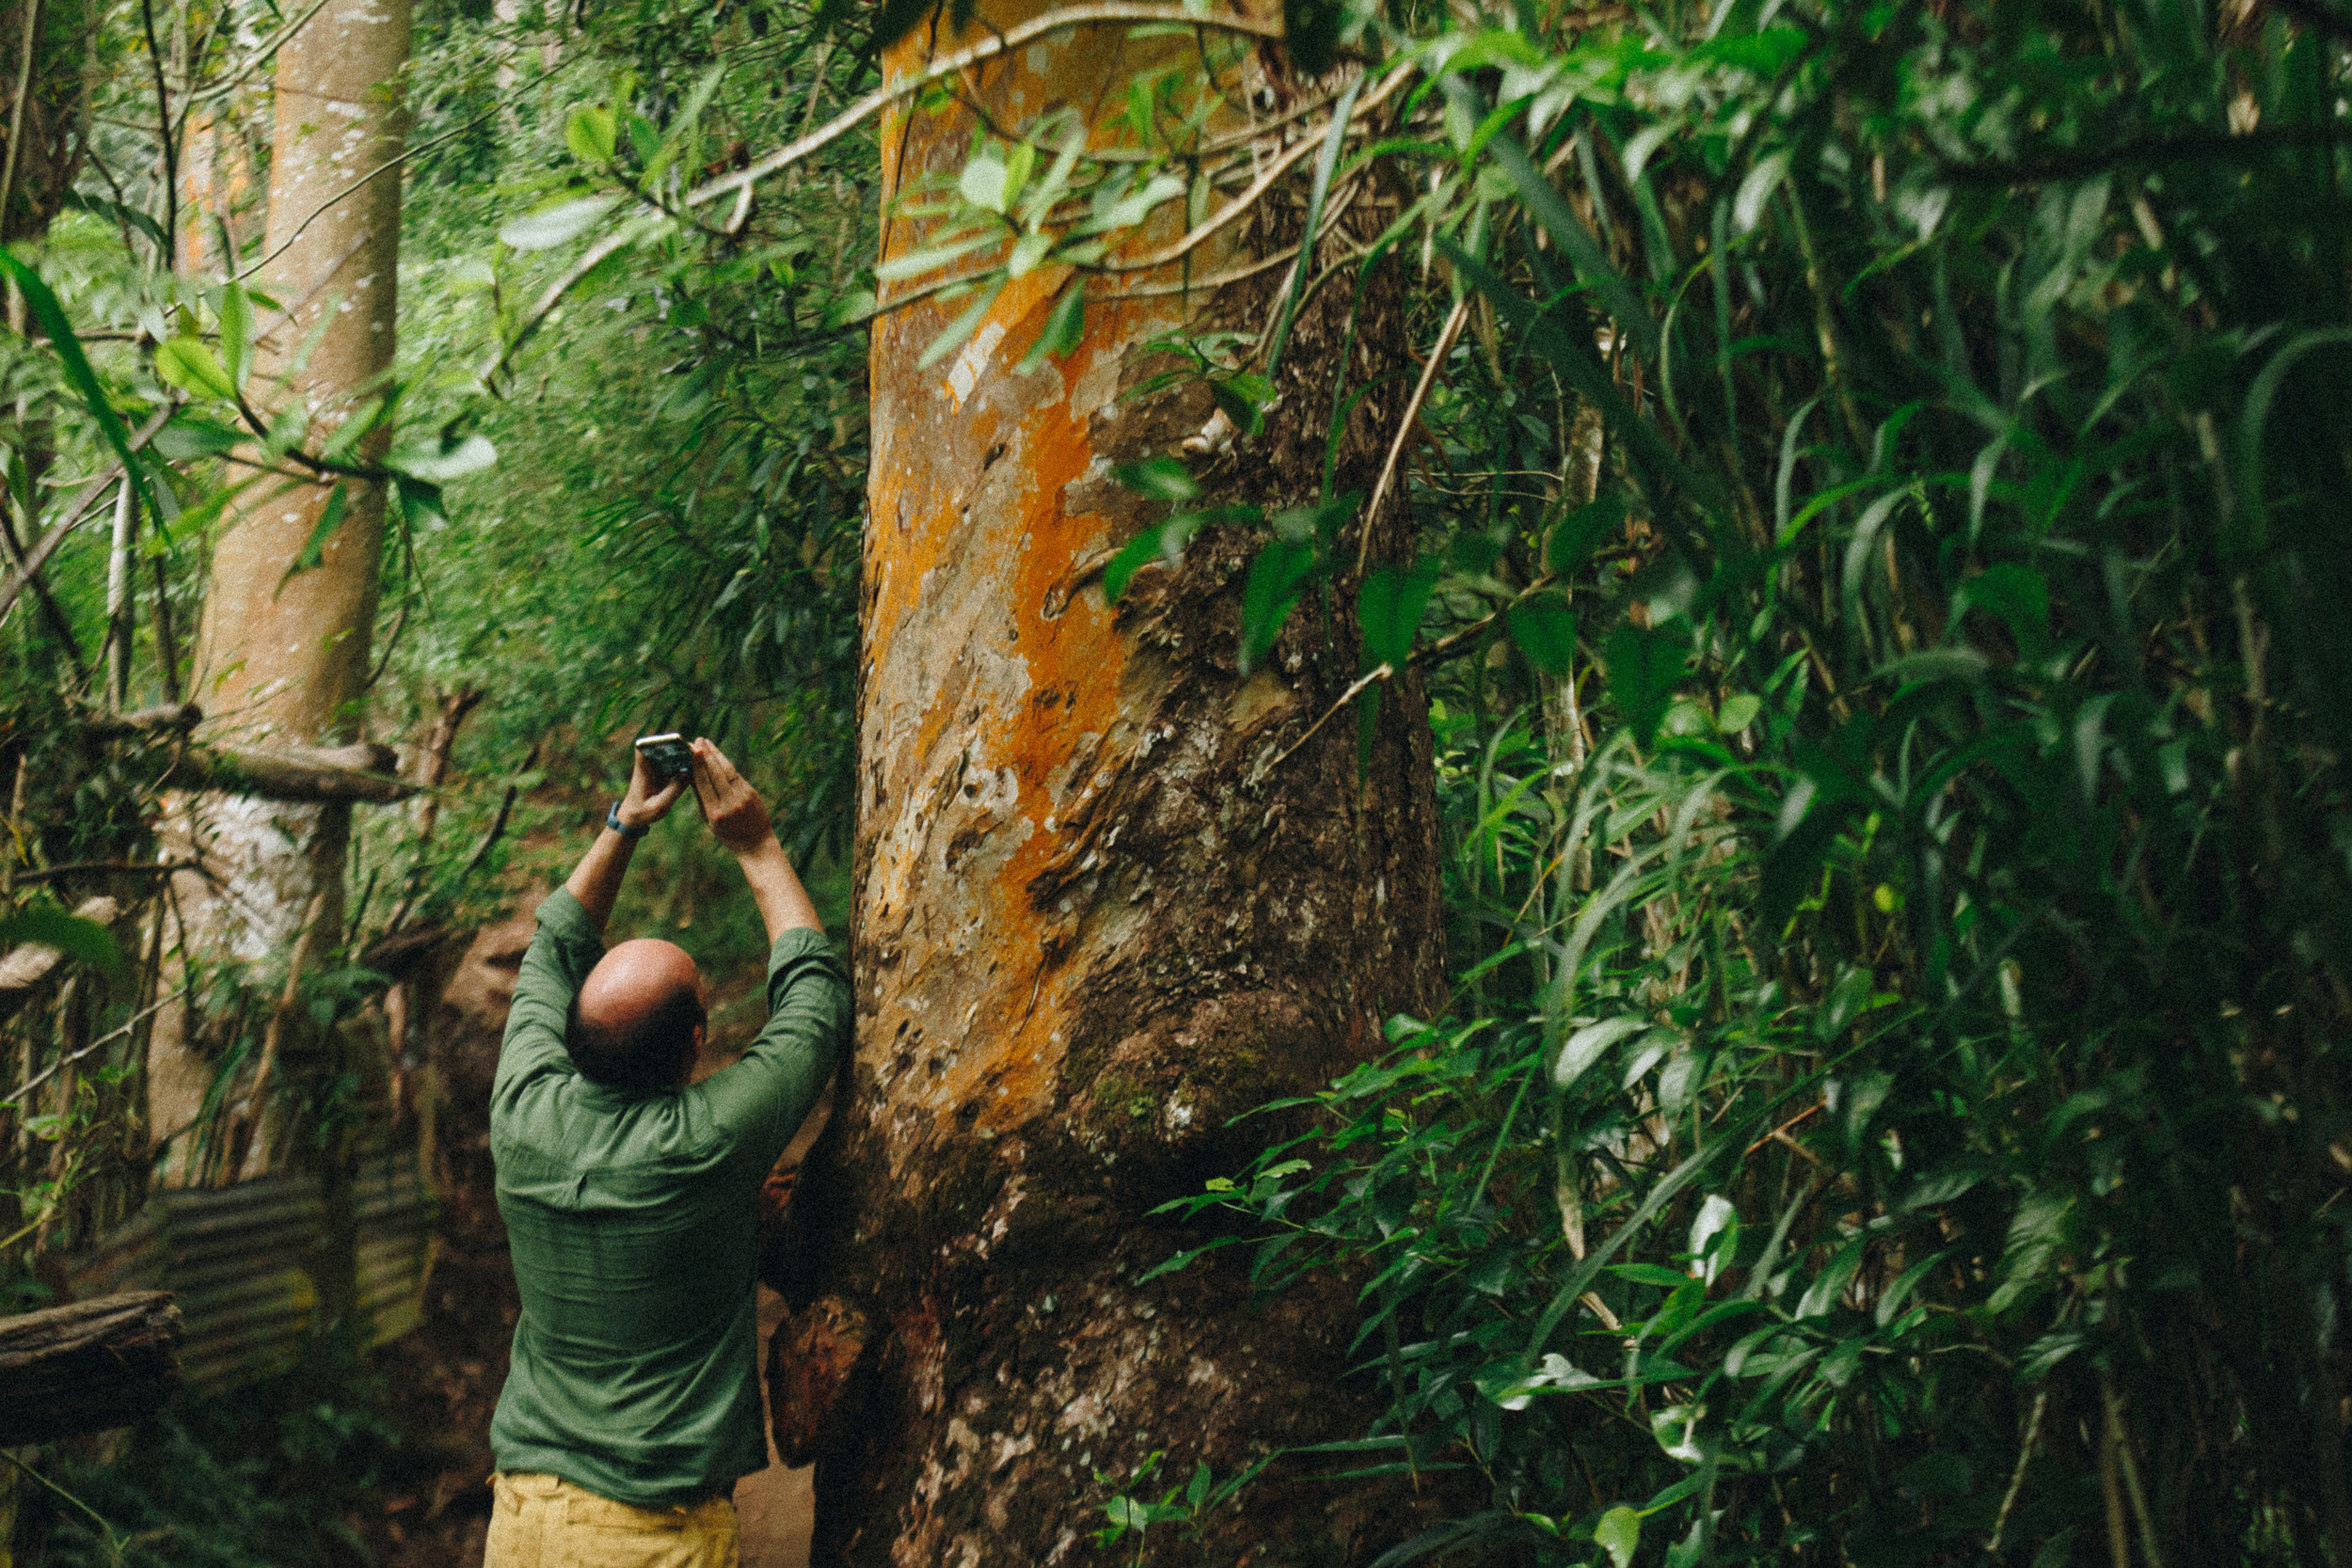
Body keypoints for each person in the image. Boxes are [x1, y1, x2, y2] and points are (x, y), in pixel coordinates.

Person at [482, 737, 848, 1568]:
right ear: (694, 1041)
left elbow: (553, 944)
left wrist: (626, 822)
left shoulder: (521, 1107)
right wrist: (755, 845)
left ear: (568, 1029)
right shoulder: (705, 1143)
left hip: (523, 1518)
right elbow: (814, 1000)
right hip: (645, 1537)